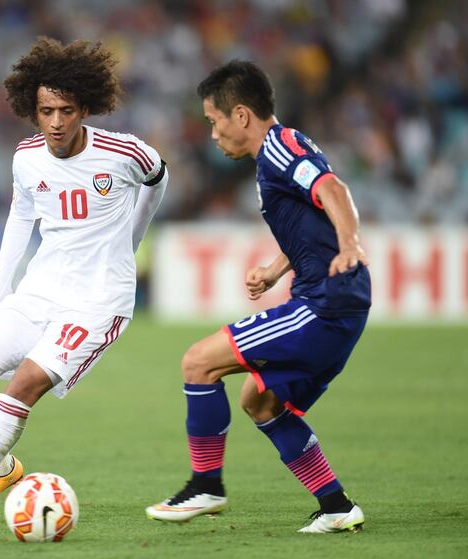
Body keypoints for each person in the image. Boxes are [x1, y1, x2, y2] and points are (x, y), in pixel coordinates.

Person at [0, 36, 168, 531]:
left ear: (85, 108)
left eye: (66, 111)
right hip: (38, 291)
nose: (55, 122)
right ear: (33, 108)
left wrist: (132, 238)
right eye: (45, 110)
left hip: (98, 302)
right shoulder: (26, 156)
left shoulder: (125, 152)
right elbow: (20, 216)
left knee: (25, 384)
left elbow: (159, 180)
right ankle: (3, 471)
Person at [145, 60, 371, 533]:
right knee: (260, 401)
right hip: (331, 297)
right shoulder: (281, 151)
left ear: (241, 115)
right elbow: (313, 221)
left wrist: (351, 243)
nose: (212, 133)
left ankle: (205, 485)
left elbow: (333, 189)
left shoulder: (279, 147)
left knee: (198, 362)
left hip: (325, 302)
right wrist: (274, 269)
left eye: (214, 120)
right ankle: (336, 505)